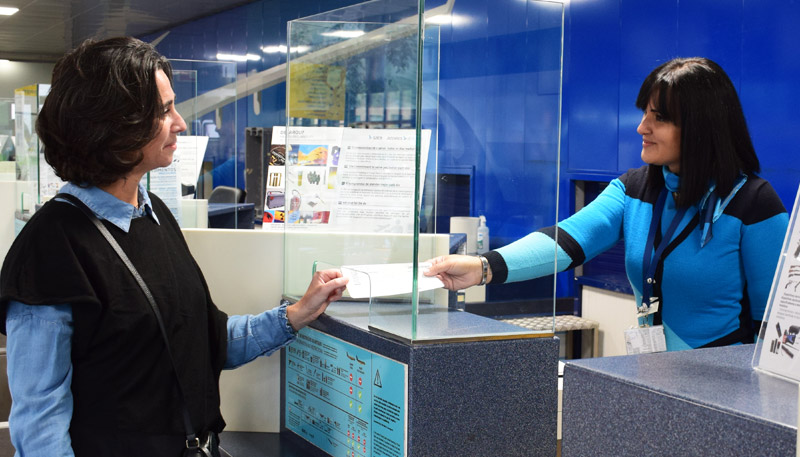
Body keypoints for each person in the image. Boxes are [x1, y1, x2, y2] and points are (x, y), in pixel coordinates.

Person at [0, 37, 348, 456]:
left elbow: (202, 342)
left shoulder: (154, 214)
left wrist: (294, 316)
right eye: (163, 111)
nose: (181, 123)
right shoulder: (51, 247)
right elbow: (40, 421)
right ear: (115, 122)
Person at [426, 57, 788, 352]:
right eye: (644, 113)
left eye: (658, 118)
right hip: (654, 377)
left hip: (724, 393)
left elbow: (773, 323)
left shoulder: (752, 202)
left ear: (701, 127)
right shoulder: (635, 188)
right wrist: (482, 267)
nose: (642, 127)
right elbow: (566, 241)